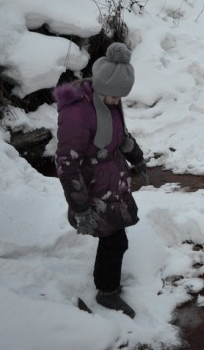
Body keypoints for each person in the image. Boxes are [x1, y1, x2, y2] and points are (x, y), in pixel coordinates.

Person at [53, 42, 148, 318]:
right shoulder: (76, 112)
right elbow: (67, 162)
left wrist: (137, 159)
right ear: (99, 86)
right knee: (115, 241)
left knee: (114, 238)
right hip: (93, 186)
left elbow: (122, 137)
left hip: (112, 180)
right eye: (113, 97)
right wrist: (80, 206)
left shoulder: (108, 99)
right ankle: (107, 292)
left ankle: (106, 284)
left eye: (120, 98)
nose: (117, 102)